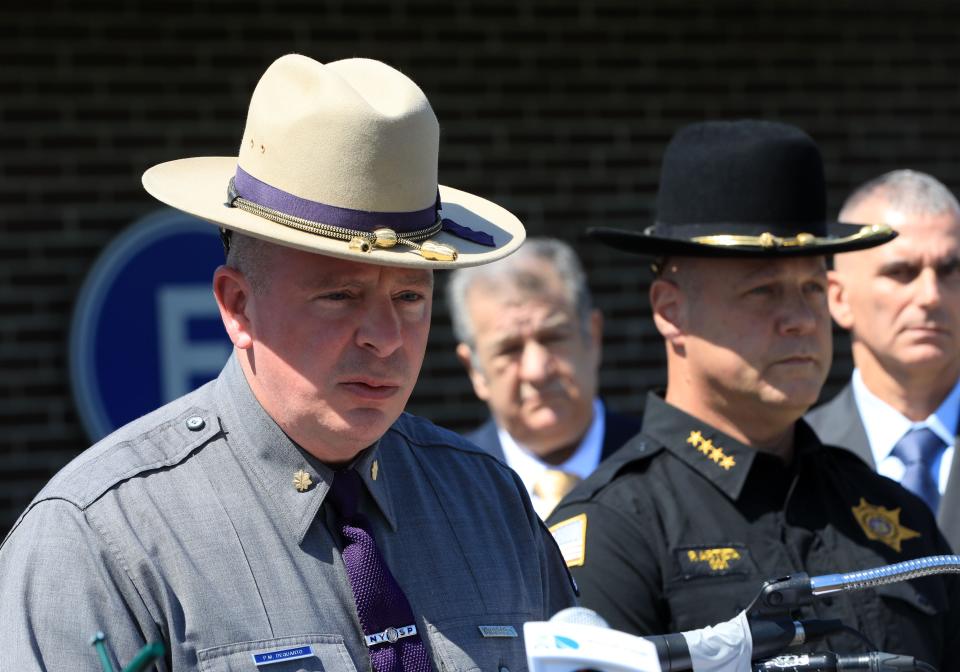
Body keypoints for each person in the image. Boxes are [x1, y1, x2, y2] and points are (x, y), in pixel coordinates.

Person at [0, 54, 576, 671]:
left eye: (410, 296)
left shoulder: (487, 502)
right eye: (340, 295)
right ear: (237, 305)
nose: (385, 337)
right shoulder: (102, 538)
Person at [546, 120, 960, 667]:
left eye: (813, 286)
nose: (800, 319)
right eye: (763, 290)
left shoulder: (889, 510)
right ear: (671, 310)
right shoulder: (616, 529)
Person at [807, 170, 960, 552]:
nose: (930, 296)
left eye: (949, 270)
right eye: (901, 272)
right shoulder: (795, 453)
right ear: (838, 299)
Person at [446, 237, 641, 518]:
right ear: (474, 370)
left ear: (593, 338)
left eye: (553, 338)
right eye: (510, 349)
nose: (537, 371)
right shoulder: (444, 489)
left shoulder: (663, 467)